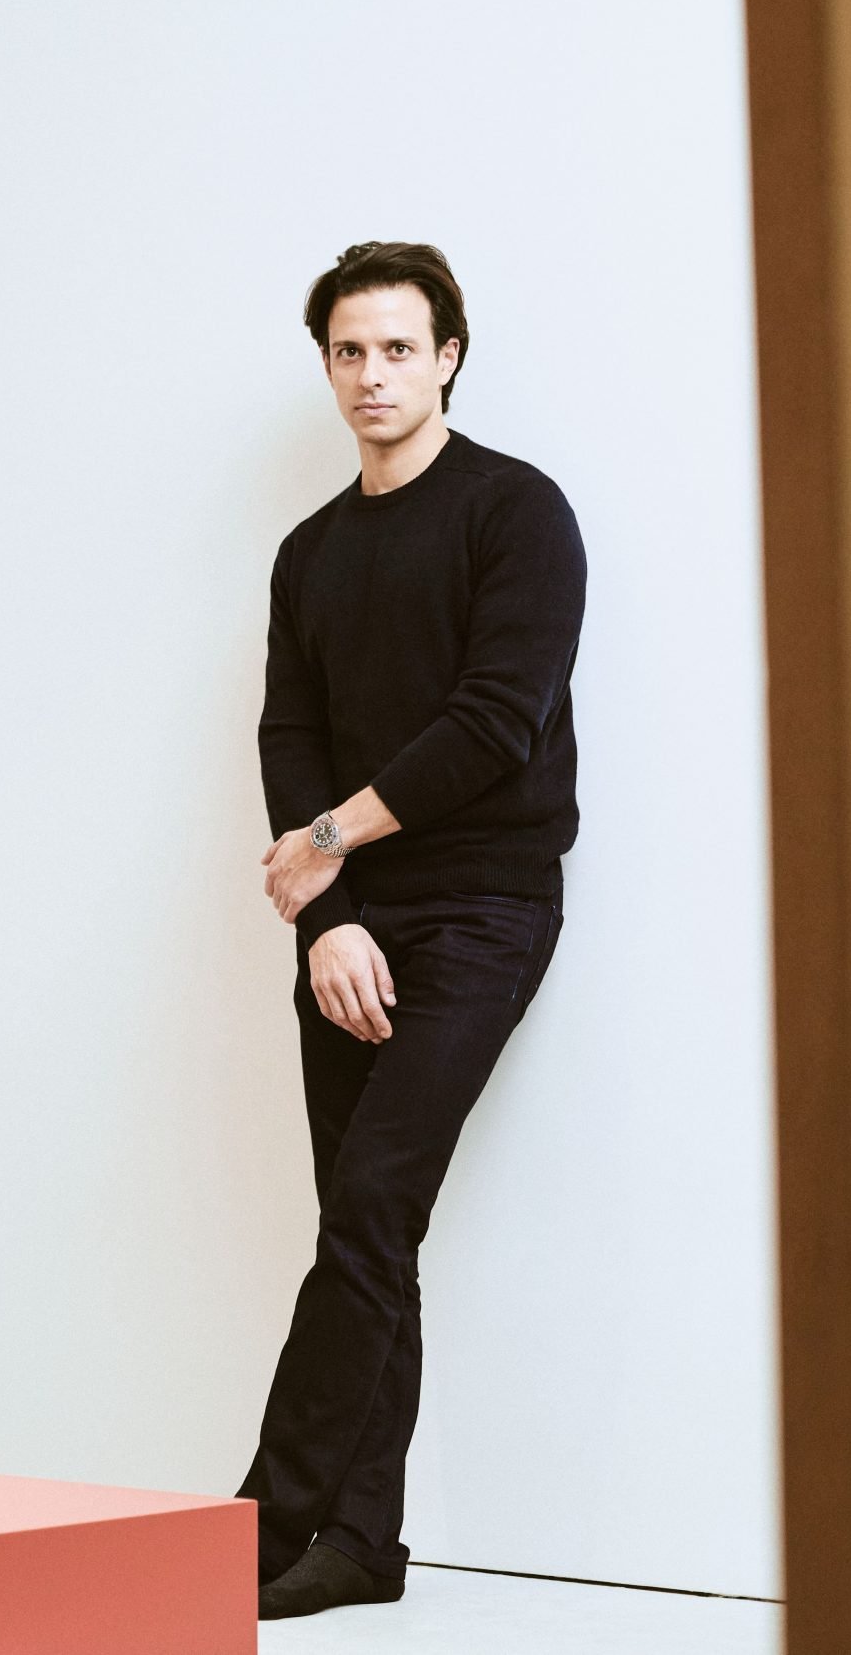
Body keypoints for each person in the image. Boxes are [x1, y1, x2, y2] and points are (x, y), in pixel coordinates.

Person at [238, 242, 587, 1621]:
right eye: (347, 352)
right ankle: (360, 1548)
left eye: (397, 348)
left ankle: (263, 1523)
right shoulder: (310, 553)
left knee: (376, 1206)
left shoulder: (517, 512)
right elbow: (291, 731)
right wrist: (327, 913)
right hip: (355, 922)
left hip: (490, 903)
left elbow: (498, 721)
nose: (371, 376)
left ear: (448, 354)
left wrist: (329, 841)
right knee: (363, 1226)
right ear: (325, 364)